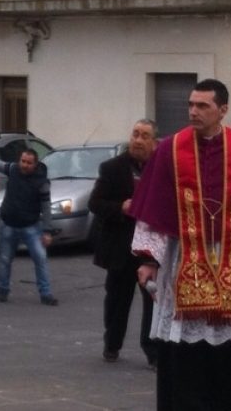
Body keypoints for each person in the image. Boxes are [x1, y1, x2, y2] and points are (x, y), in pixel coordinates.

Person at [130, 79, 231, 410]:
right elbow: (155, 212)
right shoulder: (171, 150)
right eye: (190, 104)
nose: (193, 111)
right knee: (185, 368)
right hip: (182, 264)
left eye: (202, 106)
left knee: (230, 368)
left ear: (223, 110)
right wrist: (148, 259)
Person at [89, 119, 160, 366]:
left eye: (145, 136)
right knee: (117, 303)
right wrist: (120, 207)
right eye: (135, 134)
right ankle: (112, 345)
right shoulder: (112, 168)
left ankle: (153, 352)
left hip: (150, 250)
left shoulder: (160, 169)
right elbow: (95, 203)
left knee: (153, 303)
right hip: (120, 247)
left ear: (154, 142)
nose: (138, 140)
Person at [0, 148, 59, 306]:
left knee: (40, 259)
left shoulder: (42, 182)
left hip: (31, 227)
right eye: (23, 161)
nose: (25, 165)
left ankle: (46, 294)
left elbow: (46, 208)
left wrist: (47, 231)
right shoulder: (13, 170)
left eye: (29, 163)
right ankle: (3, 291)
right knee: (5, 260)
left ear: (36, 164)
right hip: (7, 224)